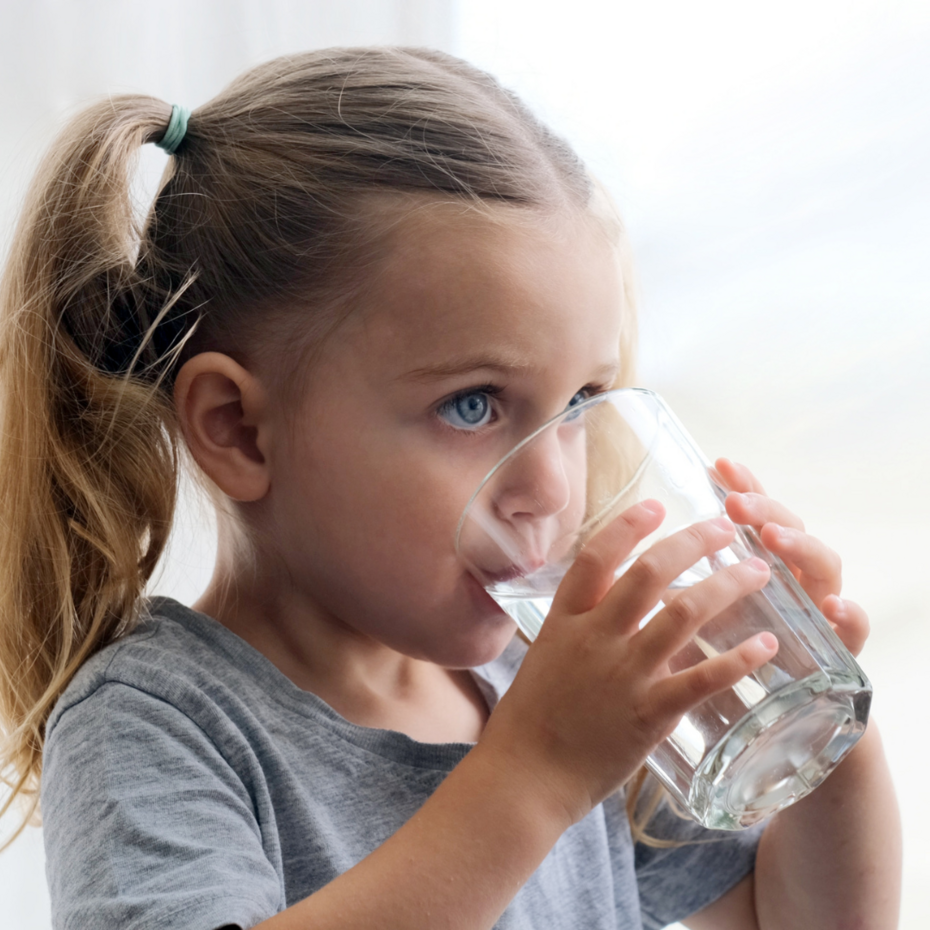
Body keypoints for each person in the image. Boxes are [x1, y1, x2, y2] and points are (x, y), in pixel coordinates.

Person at [0, 47, 900, 930]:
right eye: (472, 406)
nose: (549, 486)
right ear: (238, 428)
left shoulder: (546, 680)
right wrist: (536, 776)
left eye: (580, 401)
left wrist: (823, 737)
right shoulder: (157, 725)